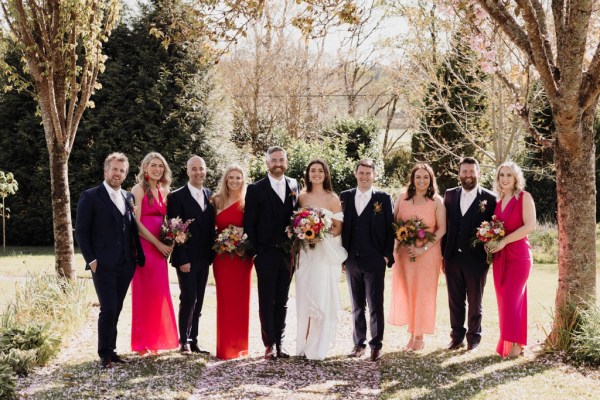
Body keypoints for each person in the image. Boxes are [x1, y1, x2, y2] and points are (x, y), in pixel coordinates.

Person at [75, 152, 145, 369]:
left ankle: (112, 350)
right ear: (106, 171)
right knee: (108, 308)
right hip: (103, 264)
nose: (118, 173)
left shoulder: (128, 197)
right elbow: (82, 232)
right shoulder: (90, 196)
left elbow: (131, 228)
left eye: (122, 170)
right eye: (114, 169)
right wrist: (92, 260)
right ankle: (104, 353)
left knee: (118, 307)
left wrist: (135, 256)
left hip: (126, 263)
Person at [244, 146, 299, 361]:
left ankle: (280, 343)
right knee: (267, 300)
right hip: (265, 253)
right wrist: (256, 253)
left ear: (286, 161)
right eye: (274, 160)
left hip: (288, 254)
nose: (278, 164)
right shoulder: (255, 189)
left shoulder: (294, 184)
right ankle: (269, 344)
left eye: (281, 160)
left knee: (283, 299)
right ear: (267, 163)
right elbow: (250, 223)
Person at [340, 159, 394, 362]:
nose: (364, 177)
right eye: (361, 173)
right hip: (352, 259)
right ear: (355, 174)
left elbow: (391, 228)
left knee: (375, 304)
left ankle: (376, 345)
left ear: (374, 175)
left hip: (375, 259)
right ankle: (358, 343)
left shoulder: (383, 197)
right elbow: (341, 227)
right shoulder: (345, 196)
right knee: (356, 305)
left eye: (368, 173)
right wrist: (341, 257)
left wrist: (387, 255)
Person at [388, 163, 446, 351]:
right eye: (418, 177)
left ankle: (419, 337)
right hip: (405, 254)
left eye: (426, 177)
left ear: (431, 180)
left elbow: (442, 229)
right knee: (408, 291)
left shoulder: (436, 201)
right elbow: (394, 225)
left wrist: (424, 248)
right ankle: (412, 331)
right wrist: (402, 242)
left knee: (423, 293)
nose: (422, 181)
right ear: (412, 179)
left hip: (428, 255)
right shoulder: (402, 199)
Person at [295, 159, 348, 360]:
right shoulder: (301, 197)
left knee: (321, 296)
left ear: (325, 174)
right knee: (304, 295)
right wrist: (305, 234)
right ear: (308, 174)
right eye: (312, 171)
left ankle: (317, 347)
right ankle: (303, 344)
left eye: (320, 171)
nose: (316, 174)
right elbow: (296, 224)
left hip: (323, 254)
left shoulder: (332, 198)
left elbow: (337, 227)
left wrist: (319, 235)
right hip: (306, 254)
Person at [442, 157, 497, 352]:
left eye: (472, 171)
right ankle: (456, 337)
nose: (468, 175)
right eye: (464, 171)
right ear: (459, 174)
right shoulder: (449, 195)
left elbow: (495, 228)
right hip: (452, 258)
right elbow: (445, 228)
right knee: (454, 300)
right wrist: (444, 256)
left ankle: (473, 338)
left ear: (478, 173)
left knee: (475, 301)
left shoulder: (490, 198)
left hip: (477, 260)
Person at [130, 152, 179, 356]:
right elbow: (137, 222)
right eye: (153, 165)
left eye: (160, 165)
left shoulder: (165, 189)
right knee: (143, 294)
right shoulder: (138, 189)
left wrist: (172, 238)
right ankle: (142, 343)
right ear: (145, 167)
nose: (157, 169)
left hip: (161, 250)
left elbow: (168, 221)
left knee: (159, 294)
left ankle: (157, 340)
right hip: (145, 247)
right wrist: (158, 243)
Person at [167, 155, 215, 355]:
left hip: (205, 257)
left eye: (201, 169)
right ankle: (183, 340)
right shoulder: (176, 196)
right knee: (188, 298)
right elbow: (175, 229)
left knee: (200, 299)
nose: (198, 172)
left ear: (205, 171)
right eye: (194, 169)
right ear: (187, 171)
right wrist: (183, 258)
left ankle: (194, 339)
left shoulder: (210, 195)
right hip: (186, 258)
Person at [489, 161, 535, 358]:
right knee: (504, 300)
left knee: (513, 299)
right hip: (501, 256)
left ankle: (517, 344)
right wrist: (490, 241)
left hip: (519, 256)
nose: (505, 179)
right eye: (502, 175)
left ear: (516, 177)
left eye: (509, 175)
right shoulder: (498, 201)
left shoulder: (524, 197)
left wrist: (505, 241)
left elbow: (530, 226)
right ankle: (508, 342)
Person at [212, 163, 253, 360]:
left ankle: (240, 346)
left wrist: (240, 242)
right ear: (226, 180)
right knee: (225, 301)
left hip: (242, 259)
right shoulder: (216, 201)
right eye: (231, 177)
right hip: (222, 258)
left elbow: (252, 229)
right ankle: (224, 348)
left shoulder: (248, 202)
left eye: (238, 177)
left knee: (241, 300)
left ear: (243, 180)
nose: (235, 181)